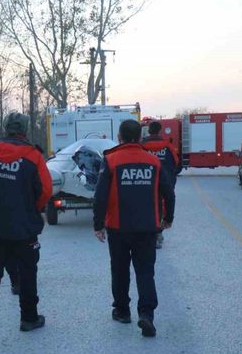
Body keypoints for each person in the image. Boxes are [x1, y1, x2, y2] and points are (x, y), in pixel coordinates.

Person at [0, 112, 52, 346]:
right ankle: (29, 318)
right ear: (25, 130)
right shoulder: (32, 155)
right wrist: (31, 208)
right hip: (23, 227)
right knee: (27, 271)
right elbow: (45, 190)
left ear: (5, 128)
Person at [93, 119, 175, 337]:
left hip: (118, 228)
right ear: (139, 137)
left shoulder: (110, 160)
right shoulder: (153, 162)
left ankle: (122, 311)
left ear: (119, 137)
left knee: (120, 271)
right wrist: (168, 218)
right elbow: (169, 192)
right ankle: (146, 315)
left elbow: (100, 196)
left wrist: (98, 224)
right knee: (145, 271)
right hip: (147, 227)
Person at [141, 121, 179, 249]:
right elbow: (176, 163)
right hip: (164, 182)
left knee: (145, 207)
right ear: (159, 131)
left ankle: (146, 233)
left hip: (145, 181)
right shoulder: (168, 146)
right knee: (161, 207)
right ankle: (158, 233)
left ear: (149, 130)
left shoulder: (142, 146)